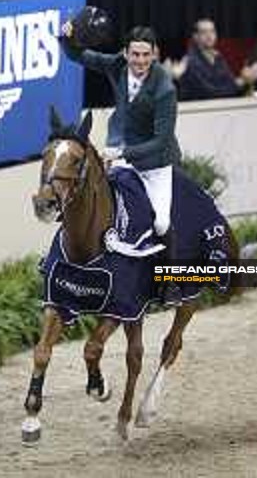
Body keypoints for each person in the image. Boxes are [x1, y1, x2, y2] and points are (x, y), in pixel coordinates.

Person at [61, 21, 183, 305]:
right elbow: (80, 56)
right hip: (119, 146)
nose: (139, 61)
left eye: (145, 55)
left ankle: (170, 283)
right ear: (125, 53)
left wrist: (122, 154)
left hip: (154, 162)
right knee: (92, 191)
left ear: (155, 55)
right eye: (135, 54)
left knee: (162, 222)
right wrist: (67, 37)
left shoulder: (164, 88)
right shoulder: (117, 65)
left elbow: (161, 140)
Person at [165, 17, 246, 100]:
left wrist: (242, 81)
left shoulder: (218, 57)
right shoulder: (190, 60)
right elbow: (209, 92)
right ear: (195, 36)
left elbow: (229, 81)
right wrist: (241, 82)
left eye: (212, 31)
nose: (209, 35)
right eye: (204, 32)